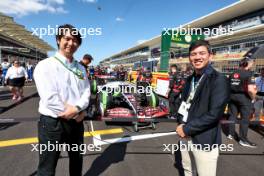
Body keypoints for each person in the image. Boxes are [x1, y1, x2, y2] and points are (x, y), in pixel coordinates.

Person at [33, 24, 90, 176]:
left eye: (76, 40)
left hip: (76, 124)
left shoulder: (81, 68)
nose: (71, 43)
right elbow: (49, 98)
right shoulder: (45, 65)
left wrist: (77, 108)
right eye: (67, 39)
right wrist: (78, 114)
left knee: (77, 161)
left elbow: (86, 92)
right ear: (58, 39)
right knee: (47, 167)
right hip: (53, 124)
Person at [176, 40, 230, 176]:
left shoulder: (219, 80)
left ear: (210, 56)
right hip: (185, 136)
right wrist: (181, 123)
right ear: (190, 58)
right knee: (187, 171)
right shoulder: (189, 80)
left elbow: (215, 114)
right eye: (193, 54)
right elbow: (184, 103)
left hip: (204, 139)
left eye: (202, 53)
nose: (197, 57)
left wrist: (186, 128)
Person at [228, 48, 257, 148]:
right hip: (244, 98)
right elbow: (250, 90)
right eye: (252, 62)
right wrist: (253, 98)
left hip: (232, 96)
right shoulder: (249, 74)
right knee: (245, 119)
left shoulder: (232, 73)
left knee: (232, 115)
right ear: (247, 64)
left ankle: (230, 134)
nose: (252, 64)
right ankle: (243, 139)